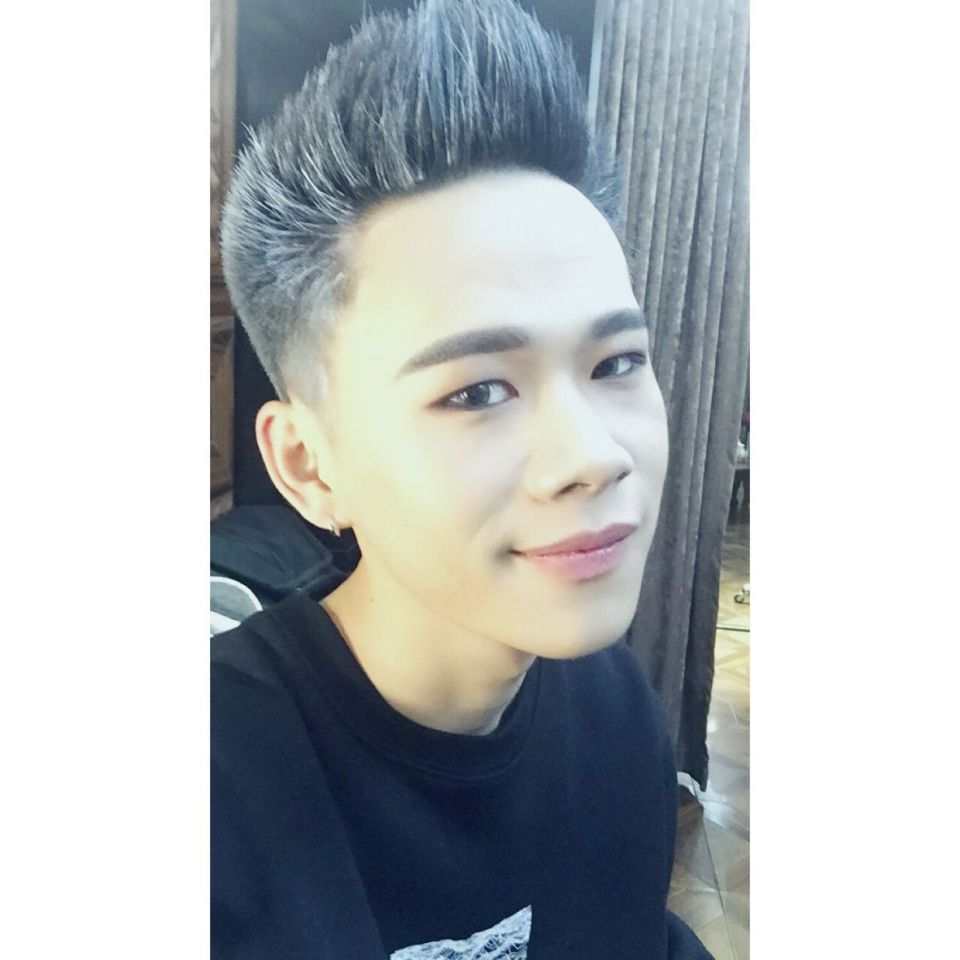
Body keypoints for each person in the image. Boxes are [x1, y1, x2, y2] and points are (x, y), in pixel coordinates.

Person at [213, 1, 713, 956]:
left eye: (616, 363)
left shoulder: (615, 716)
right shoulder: (215, 798)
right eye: (478, 391)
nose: (594, 455)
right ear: (308, 465)